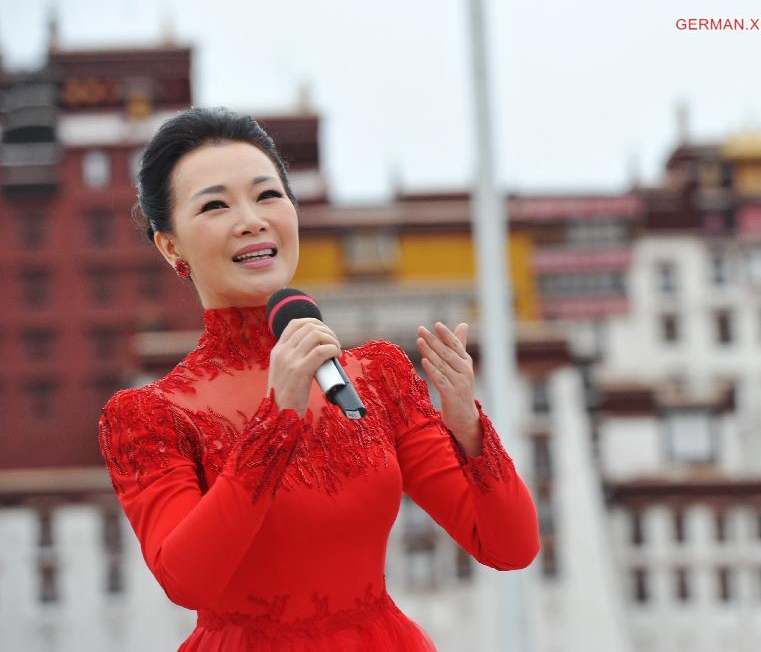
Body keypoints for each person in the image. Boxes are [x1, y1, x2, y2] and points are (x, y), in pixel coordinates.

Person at [97, 107, 540, 651]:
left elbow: (510, 547)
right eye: (215, 204)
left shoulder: (376, 378)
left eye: (268, 196)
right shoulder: (151, 416)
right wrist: (276, 416)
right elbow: (186, 579)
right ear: (171, 247)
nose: (252, 220)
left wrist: (467, 426)